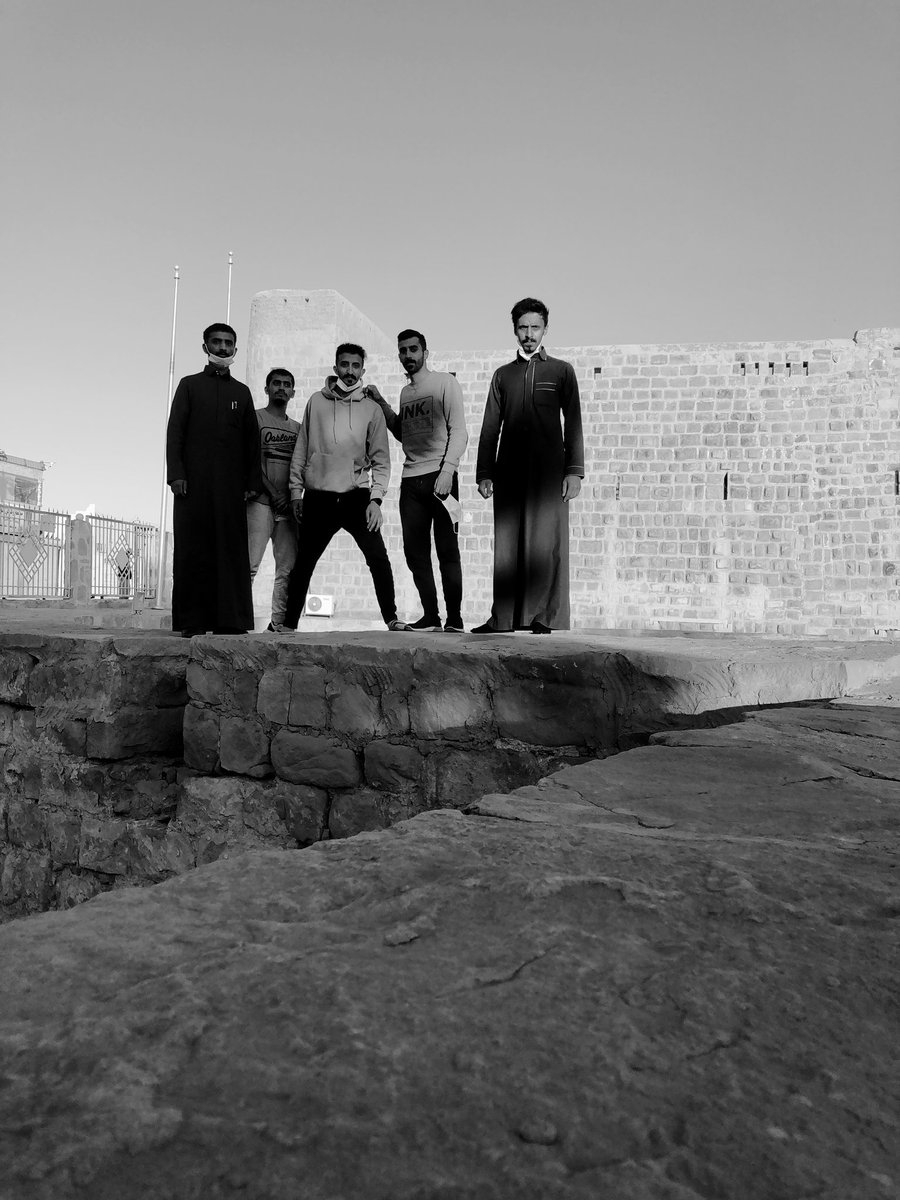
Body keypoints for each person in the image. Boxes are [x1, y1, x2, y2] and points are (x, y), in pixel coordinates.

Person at [474, 298, 584, 634]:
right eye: (523, 327)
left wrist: (574, 471)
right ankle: (503, 618)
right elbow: (490, 426)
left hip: (549, 472)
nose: (529, 334)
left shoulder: (561, 371)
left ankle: (543, 617)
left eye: (535, 327)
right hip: (509, 469)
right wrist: (485, 472)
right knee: (507, 544)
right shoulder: (502, 375)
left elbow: (574, 422)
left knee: (546, 544)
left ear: (545, 329)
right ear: (514, 330)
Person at [281, 343, 409, 632]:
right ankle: (288, 625)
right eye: (344, 364)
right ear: (335, 367)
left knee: (378, 558)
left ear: (362, 370)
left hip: (357, 497)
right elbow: (301, 449)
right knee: (304, 562)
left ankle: (391, 618)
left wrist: (376, 500)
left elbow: (381, 459)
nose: (350, 371)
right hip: (319, 496)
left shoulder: (372, 409)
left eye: (355, 366)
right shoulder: (316, 402)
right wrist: (296, 491)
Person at [367, 329, 468, 632]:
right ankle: (431, 616)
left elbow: (459, 431)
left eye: (413, 349)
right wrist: (381, 402)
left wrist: (448, 471)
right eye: (403, 350)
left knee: (447, 550)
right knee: (415, 553)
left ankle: (454, 619)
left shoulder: (445, 383)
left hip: (442, 478)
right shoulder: (405, 393)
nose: (408, 355)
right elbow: (404, 433)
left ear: (425, 352)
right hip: (411, 481)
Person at [166, 322, 262, 636]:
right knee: (193, 551)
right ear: (205, 347)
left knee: (230, 552)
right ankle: (192, 621)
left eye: (228, 343)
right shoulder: (189, 386)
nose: (223, 348)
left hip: (230, 489)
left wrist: (252, 483)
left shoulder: (241, 393)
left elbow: (251, 442)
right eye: (217, 342)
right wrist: (176, 474)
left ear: (235, 348)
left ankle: (230, 621)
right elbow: (175, 433)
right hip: (192, 487)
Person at [247, 368, 301, 631]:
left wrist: (289, 496)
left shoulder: (298, 429)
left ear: (293, 392)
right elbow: (250, 461)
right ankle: (236, 619)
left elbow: (301, 466)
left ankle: (278, 623)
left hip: (288, 507)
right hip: (260, 503)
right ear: (266, 389)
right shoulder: (255, 419)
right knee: (249, 565)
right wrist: (272, 492)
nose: (281, 387)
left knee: (287, 571)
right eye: (276, 383)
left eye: (286, 384)